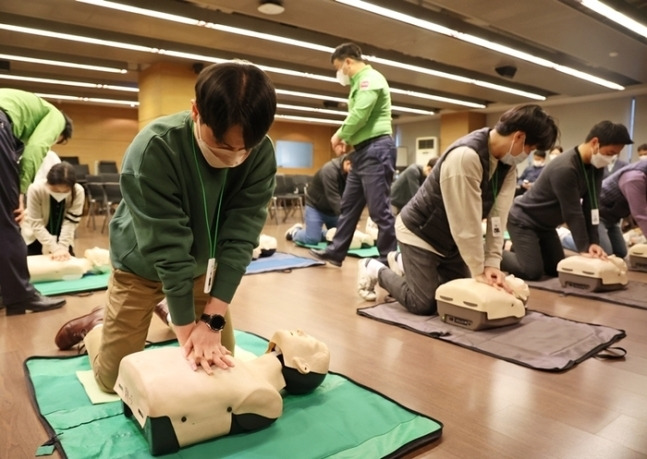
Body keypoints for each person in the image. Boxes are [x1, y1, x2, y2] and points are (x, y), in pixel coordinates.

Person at [54, 61, 278, 393]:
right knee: (113, 380)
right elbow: (167, 246)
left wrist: (212, 322)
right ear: (195, 111)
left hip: (203, 269)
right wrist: (188, 336)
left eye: (245, 149)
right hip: (140, 266)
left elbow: (241, 237)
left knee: (219, 366)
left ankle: (169, 306)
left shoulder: (259, 154)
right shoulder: (154, 148)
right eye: (224, 147)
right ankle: (97, 326)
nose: (234, 158)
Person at [356, 104, 559, 311]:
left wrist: (491, 264)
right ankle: (374, 268)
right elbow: (465, 222)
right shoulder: (466, 157)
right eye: (530, 148)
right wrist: (478, 269)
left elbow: (498, 219)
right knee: (424, 303)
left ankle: (401, 262)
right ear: (518, 137)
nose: (529, 155)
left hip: (450, 239)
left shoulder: (508, 168)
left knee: (454, 296)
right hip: (420, 233)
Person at [115, 329, 330, 454]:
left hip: (162, 398)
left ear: (303, 366)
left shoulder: (268, 400)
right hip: (150, 376)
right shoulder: (244, 369)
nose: (302, 332)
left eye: (313, 343)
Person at [501, 120, 633, 280]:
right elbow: (573, 212)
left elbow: (592, 206)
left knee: (555, 269)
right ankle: (495, 256)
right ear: (595, 143)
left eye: (615, 155)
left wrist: (594, 243)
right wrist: (584, 248)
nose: (611, 158)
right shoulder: (566, 168)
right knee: (532, 272)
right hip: (524, 221)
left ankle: (523, 251)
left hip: (547, 226)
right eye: (610, 152)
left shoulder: (595, 167)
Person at [309, 42, 397, 267]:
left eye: (340, 68)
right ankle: (336, 252)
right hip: (363, 152)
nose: (340, 74)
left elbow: (360, 115)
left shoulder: (370, 79)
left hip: (376, 150)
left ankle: (388, 258)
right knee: (349, 205)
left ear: (348, 61)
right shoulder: (358, 83)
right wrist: (349, 141)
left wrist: (339, 135)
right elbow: (360, 122)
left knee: (379, 210)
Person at [0, 88, 73, 315]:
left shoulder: (28, 113)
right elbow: (35, 150)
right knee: (8, 220)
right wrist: (18, 194)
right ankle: (21, 295)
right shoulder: (56, 117)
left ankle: (5, 290)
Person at [22, 162, 85, 260]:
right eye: (55, 190)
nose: (60, 193)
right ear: (48, 182)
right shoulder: (35, 189)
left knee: (66, 265)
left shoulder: (78, 191)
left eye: (65, 191)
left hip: (64, 235)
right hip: (35, 235)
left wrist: (62, 248)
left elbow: (71, 221)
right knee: (33, 268)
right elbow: (36, 224)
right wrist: (55, 249)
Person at [285, 155, 351, 245]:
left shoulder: (351, 173)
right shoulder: (329, 170)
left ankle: (320, 232)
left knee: (342, 239)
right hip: (315, 208)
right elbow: (333, 198)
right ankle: (295, 232)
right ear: (348, 163)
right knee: (312, 239)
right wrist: (347, 218)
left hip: (333, 211)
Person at [596, 161, 647, 257]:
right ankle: (566, 237)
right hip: (596, 215)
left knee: (620, 253)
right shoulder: (634, 178)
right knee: (605, 253)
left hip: (613, 218)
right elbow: (640, 215)